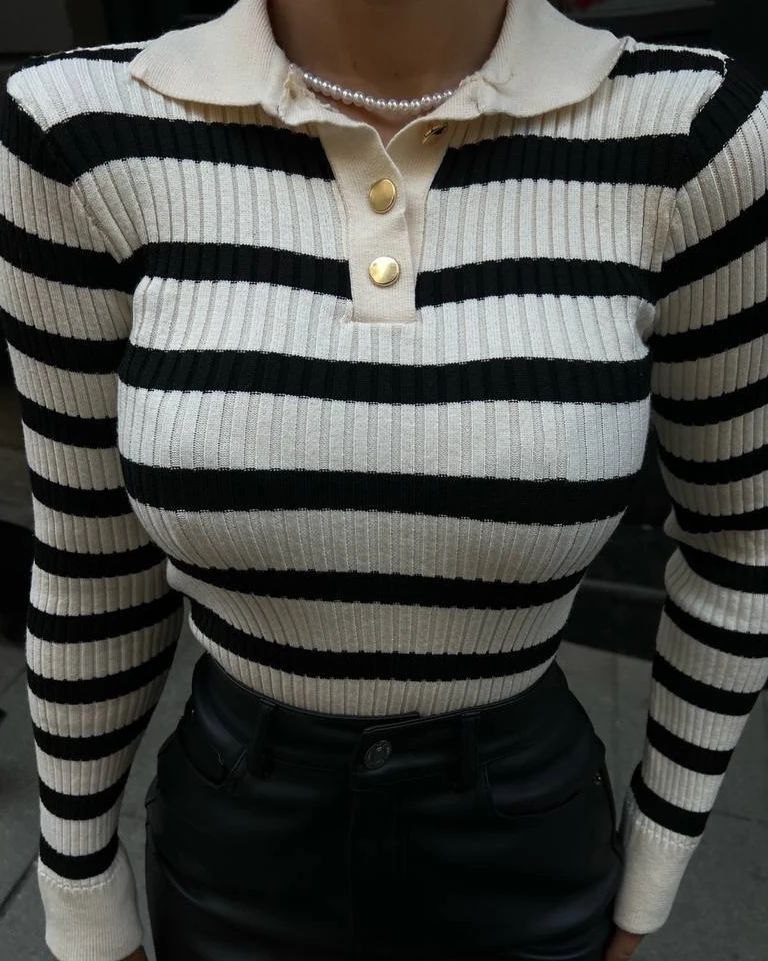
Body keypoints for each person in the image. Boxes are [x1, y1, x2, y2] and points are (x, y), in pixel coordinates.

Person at [0, 0, 766, 959]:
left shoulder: (692, 131)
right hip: (236, 841)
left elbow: (742, 541)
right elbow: (89, 554)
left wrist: (654, 864)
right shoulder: (79, 128)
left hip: (525, 842)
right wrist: (80, 890)